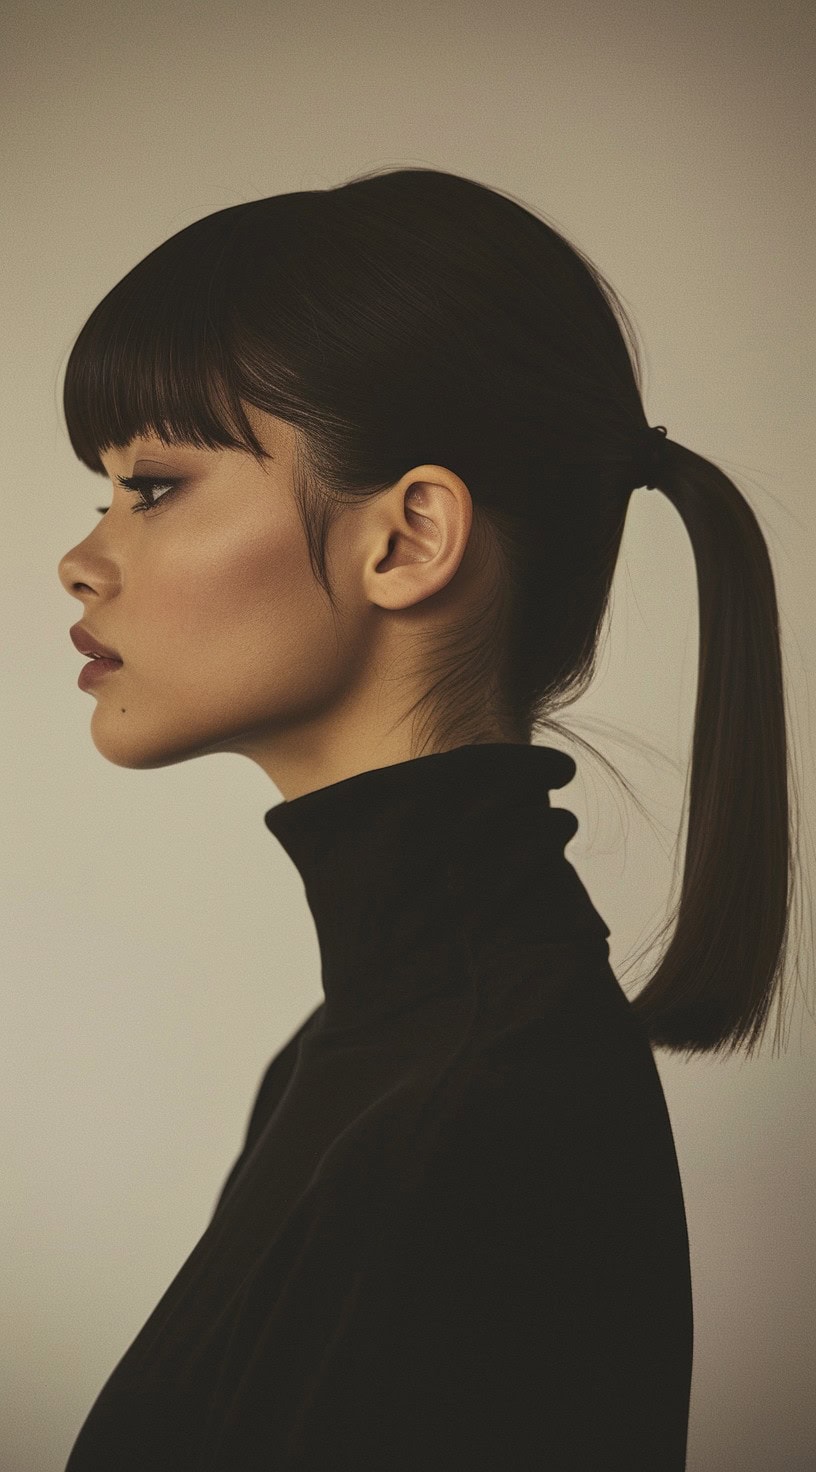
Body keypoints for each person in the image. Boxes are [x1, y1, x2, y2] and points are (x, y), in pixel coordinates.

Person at [56, 166, 803, 1470]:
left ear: (407, 541)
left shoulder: (480, 1113)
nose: (82, 556)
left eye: (154, 486)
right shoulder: (368, 1054)